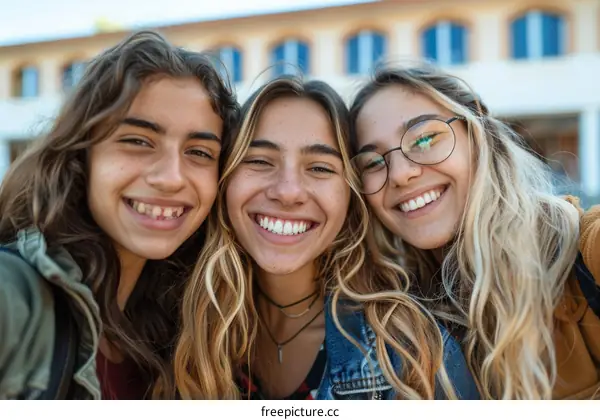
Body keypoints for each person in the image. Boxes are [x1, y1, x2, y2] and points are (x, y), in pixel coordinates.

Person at [173, 75, 480, 400]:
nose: (288, 192)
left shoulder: (412, 352)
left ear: (351, 196)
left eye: (320, 168)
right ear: (225, 180)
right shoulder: (177, 325)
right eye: (260, 161)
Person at [0, 30, 239, 399]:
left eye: (200, 152)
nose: (171, 178)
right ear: (83, 154)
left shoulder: (182, 326)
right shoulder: (17, 294)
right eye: (138, 141)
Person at [348, 63, 600, 399]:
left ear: (478, 133)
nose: (400, 174)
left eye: (425, 138)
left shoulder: (585, 250)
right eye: (373, 163)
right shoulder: (382, 315)